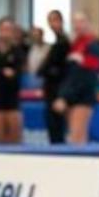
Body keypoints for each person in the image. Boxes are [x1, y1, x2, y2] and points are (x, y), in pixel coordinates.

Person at [60, 11, 99, 144]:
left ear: (88, 23)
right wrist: (65, 95)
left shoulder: (93, 45)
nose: (78, 25)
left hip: (84, 95)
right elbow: (71, 75)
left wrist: (83, 61)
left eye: (81, 22)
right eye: (75, 22)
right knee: (75, 135)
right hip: (73, 95)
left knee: (77, 136)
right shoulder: (75, 45)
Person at [0, 18, 27, 145]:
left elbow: (18, 73)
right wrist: (3, 72)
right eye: (3, 29)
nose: (5, 33)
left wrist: (7, 73)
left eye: (9, 30)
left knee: (15, 139)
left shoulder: (18, 51)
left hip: (12, 100)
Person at [37, 10, 70, 144]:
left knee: (57, 127)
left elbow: (55, 67)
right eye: (51, 20)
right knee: (52, 127)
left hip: (58, 90)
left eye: (56, 20)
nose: (53, 24)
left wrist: (46, 69)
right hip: (50, 90)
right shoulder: (56, 43)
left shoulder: (63, 43)